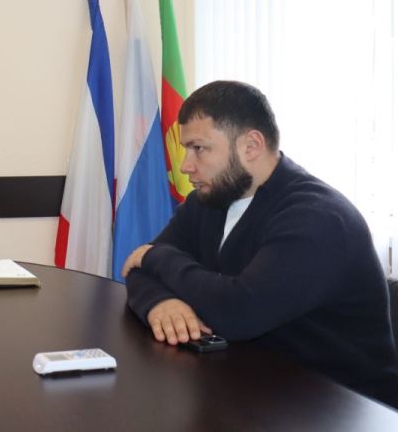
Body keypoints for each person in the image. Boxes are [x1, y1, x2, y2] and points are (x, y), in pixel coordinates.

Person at [122, 80, 398, 408]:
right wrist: (160, 302)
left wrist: (156, 257)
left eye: (199, 148)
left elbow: (238, 313)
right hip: (254, 386)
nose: (186, 165)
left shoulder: (317, 217)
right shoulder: (211, 199)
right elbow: (138, 270)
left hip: (344, 408)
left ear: (251, 146)